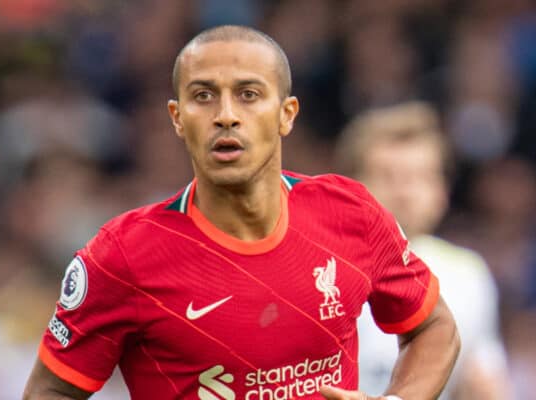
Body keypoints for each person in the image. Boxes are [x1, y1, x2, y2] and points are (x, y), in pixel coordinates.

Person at [23, 25, 460, 400]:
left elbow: (434, 326)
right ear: (177, 118)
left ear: (286, 114)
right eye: (203, 96)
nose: (226, 116)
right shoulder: (123, 255)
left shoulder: (351, 213)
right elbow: (52, 388)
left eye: (249, 94)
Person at [335, 102, 511, 399]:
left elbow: (485, 384)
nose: (405, 193)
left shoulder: (468, 273)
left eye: (421, 177)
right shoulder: (321, 267)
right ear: (349, 186)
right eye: (388, 176)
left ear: (442, 191)